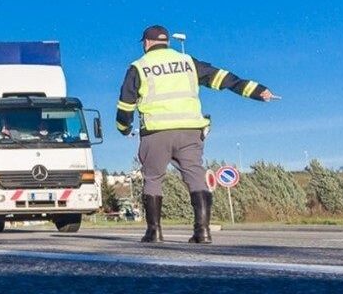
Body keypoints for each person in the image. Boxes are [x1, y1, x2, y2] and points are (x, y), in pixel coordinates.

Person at [115, 25, 278, 244]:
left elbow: (126, 104)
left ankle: (154, 232)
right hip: (190, 132)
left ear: (146, 43)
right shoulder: (188, 62)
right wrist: (257, 90)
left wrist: (124, 128)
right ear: (167, 42)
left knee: (153, 179)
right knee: (195, 176)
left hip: (156, 133)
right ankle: (203, 231)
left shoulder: (139, 66)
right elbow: (224, 79)